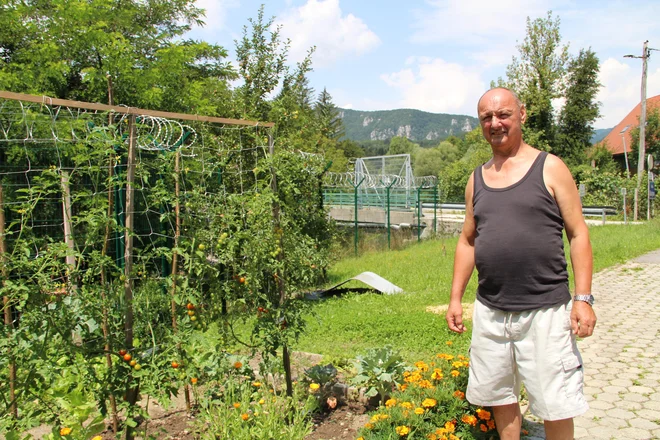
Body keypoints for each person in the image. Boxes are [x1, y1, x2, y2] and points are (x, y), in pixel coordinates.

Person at [446, 87, 597, 440]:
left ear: (522, 114)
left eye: (503, 115)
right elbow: (467, 239)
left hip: (545, 311)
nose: (495, 123)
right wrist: (456, 298)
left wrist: (583, 299)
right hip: (492, 311)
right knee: (501, 398)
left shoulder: (551, 167)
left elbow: (578, 234)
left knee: (555, 403)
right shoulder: (476, 179)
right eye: (487, 117)